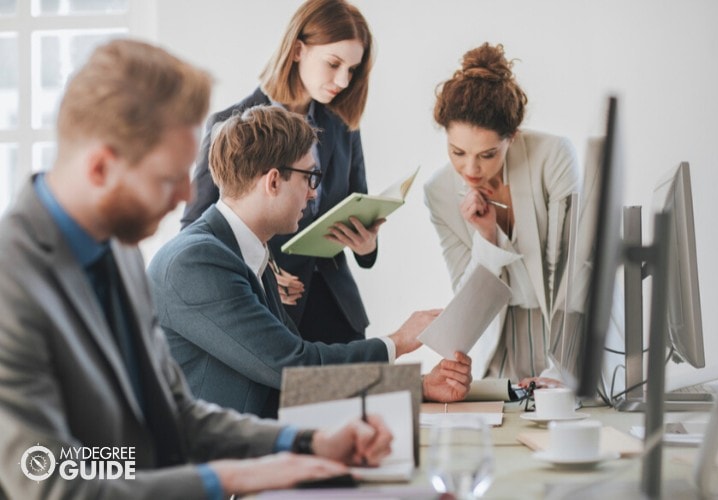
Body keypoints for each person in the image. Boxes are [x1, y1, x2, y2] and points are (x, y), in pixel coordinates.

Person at [0, 39, 396, 500]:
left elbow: (175, 413)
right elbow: (48, 474)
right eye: (169, 178)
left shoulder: (121, 252)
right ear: (101, 167)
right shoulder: (13, 284)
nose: (186, 199)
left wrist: (304, 442)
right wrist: (230, 478)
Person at [148, 105, 472, 419]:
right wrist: (397, 342)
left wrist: (418, 387)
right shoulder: (197, 262)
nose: (314, 194)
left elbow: (303, 378)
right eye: (310, 177)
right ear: (273, 181)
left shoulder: (243, 251)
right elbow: (293, 368)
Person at [181, 0, 380, 346]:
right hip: (268, 313)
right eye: (333, 64)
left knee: (357, 399)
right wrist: (262, 272)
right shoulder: (230, 126)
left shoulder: (344, 127)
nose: (343, 81)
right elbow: (196, 235)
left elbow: (357, 205)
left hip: (339, 313)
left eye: (352, 69)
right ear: (298, 50)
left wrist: (367, 245)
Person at [424, 43, 580, 386]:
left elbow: (575, 271)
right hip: (499, 344)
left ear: (512, 137)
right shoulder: (438, 192)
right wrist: (487, 237)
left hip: (566, 337)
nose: (471, 168)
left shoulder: (552, 156)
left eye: (488, 154)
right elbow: (467, 301)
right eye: (457, 152)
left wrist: (562, 370)